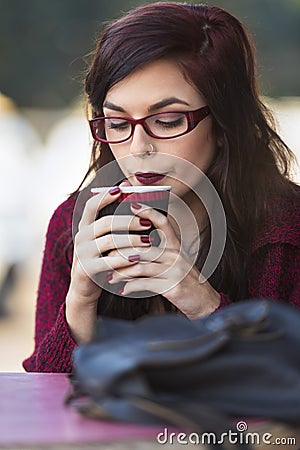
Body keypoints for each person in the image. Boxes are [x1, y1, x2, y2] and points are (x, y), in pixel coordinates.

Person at [23, 2, 299, 373]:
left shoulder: (287, 232)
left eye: (167, 120)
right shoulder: (72, 227)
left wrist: (203, 302)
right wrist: (80, 301)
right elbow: (45, 403)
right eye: (118, 124)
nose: (139, 148)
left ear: (223, 123)